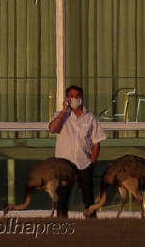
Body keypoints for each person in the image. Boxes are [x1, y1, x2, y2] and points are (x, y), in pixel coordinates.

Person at [48, 85, 106, 218]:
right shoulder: (61, 116)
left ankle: (91, 222)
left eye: (77, 96)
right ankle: (62, 224)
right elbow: (52, 129)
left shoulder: (90, 117)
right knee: (62, 196)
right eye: (71, 96)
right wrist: (64, 111)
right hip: (64, 165)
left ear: (82, 98)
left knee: (88, 197)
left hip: (83, 163)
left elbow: (96, 142)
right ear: (67, 98)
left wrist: (92, 162)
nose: (74, 99)